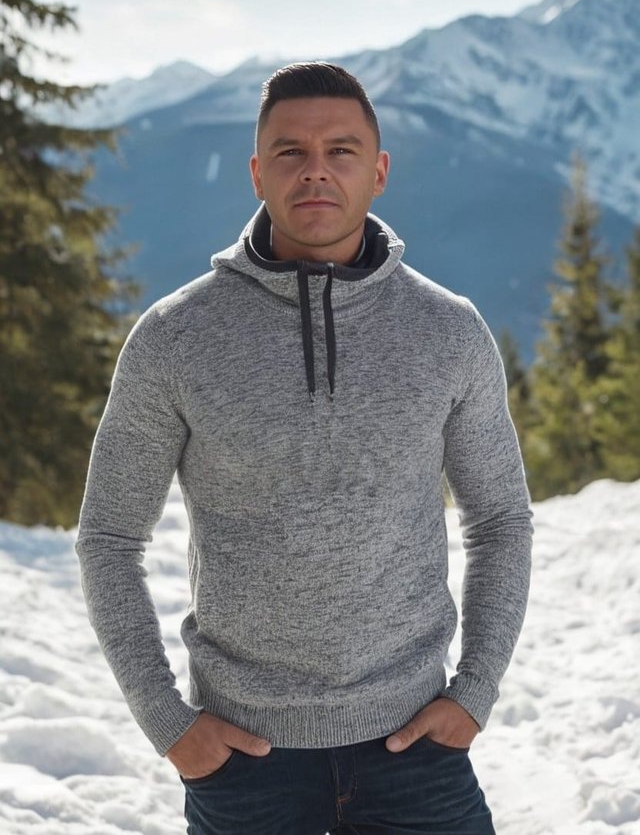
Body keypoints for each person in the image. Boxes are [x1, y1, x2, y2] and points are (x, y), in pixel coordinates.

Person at [76, 61, 533, 834]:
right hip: (242, 761)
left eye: (341, 150)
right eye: (290, 151)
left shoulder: (449, 331)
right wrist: (169, 723)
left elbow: (500, 521)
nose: (315, 170)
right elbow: (109, 537)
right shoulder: (175, 338)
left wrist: (476, 691)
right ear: (257, 172)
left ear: (378, 171)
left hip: (416, 744)